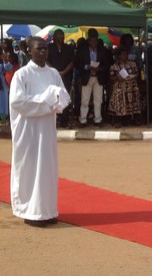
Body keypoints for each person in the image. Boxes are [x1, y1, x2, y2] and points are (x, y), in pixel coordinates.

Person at [9, 37, 70, 227]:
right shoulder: (22, 75)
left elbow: (64, 96)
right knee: (30, 168)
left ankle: (48, 210)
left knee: (47, 168)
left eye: (45, 48)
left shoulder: (53, 74)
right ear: (29, 51)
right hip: (28, 131)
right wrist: (47, 99)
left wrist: (56, 100)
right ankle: (31, 211)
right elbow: (18, 103)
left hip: (47, 129)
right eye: (39, 48)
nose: (43, 51)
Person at [74, 28, 109, 127]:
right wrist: (87, 67)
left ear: (97, 41)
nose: (94, 42)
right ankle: (83, 120)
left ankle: (98, 119)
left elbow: (106, 65)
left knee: (98, 100)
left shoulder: (102, 50)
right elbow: (77, 63)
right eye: (92, 40)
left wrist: (100, 68)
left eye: (95, 40)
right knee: (85, 100)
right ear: (88, 41)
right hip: (87, 76)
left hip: (98, 77)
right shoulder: (83, 51)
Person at [47, 28, 75, 128]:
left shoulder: (68, 48)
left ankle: (64, 121)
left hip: (66, 76)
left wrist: (63, 72)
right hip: (52, 76)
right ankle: (53, 121)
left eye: (62, 36)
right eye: (58, 36)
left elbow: (72, 62)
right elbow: (46, 61)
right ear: (54, 37)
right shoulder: (49, 48)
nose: (60, 38)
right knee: (52, 98)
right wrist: (55, 72)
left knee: (65, 98)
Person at [108, 48, 141, 127]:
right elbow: (111, 77)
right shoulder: (115, 66)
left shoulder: (132, 64)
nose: (125, 56)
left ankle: (132, 119)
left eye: (126, 54)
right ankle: (118, 120)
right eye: (123, 54)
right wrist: (117, 78)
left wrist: (133, 76)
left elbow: (137, 73)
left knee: (133, 99)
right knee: (119, 98)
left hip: (131, 86)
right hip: (120, 87)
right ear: (119, 56)